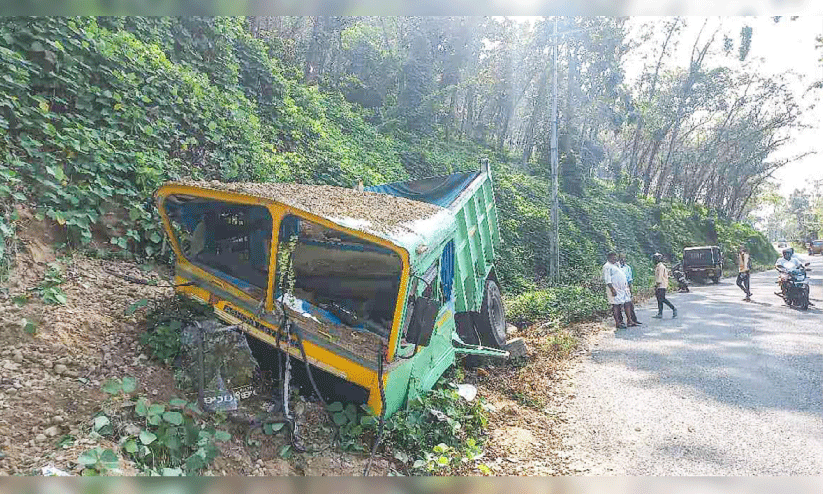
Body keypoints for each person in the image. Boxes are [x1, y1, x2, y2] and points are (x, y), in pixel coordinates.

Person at [603, 251, 632, 329]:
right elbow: (607, 280)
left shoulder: (615, 265)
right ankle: (618, 323)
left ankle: (624, 321)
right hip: (614, 289)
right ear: (609, 258)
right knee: (615, 305)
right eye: (613, 257)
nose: (615, 259)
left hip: (621, 289)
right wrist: (612, 289)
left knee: (621, 305)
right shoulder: (607, 266)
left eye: (615, 257)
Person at [618, 253, 641, 325]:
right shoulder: (616, 267)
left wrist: (631, 290)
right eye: (621, 258)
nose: (623, 259)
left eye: (624, 258)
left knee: (629, 304)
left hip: (626, 287)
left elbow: (629, 280)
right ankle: (620, 321)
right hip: (618, 287)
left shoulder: (627, 268)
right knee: (618, 305)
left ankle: (632, 320)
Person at [652, 253, 677, 319]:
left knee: (662, 299)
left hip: (661, 285)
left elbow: (659, 278)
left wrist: (656, 285)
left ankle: (673, 308)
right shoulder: (659, 266)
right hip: (661, 285)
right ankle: (660, 313)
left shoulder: (660, 267)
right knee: (659, 300)